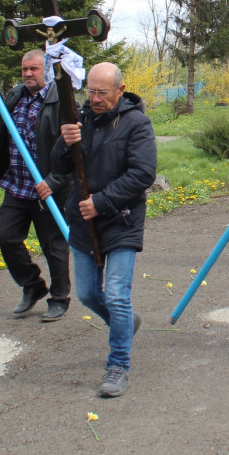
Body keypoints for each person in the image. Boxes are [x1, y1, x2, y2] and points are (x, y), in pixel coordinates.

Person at [52, 62, 156, 398]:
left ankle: (118, 366)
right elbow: (58, 166)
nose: (94, 98)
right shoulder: (78, 119)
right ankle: (125, 324)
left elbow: (142, 174)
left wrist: (101, 201)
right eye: (90, 91)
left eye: (102, 92)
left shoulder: (137, 124)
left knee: (115, 294)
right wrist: (64, 144)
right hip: (83, 222)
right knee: (87, 294)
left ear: (120, 91)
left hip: (121, 219)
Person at [0, 49, 71, 322]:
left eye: (33, 69)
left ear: (46, 70)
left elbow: (73, 150)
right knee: (6, 237)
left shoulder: (62, 101)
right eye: (24, 69)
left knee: (53, 246)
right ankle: (32, 286)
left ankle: (59, 298)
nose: (28, 74)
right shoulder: (16, 94)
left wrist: (54, 182)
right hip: (17, 184)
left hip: (47, 188)